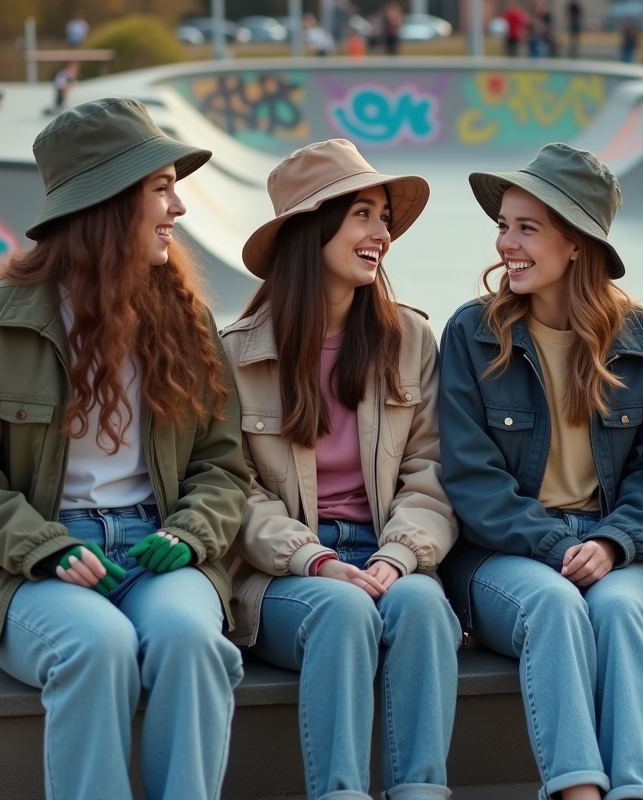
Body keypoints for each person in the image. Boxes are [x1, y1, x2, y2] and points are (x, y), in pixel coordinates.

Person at [0, 98, 251, 800]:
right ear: (108, 201)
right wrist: (44, 548)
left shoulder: (187, 323)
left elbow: (221, 465)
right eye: (160, 189)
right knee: (96, 647)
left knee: (194, 643)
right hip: (31, 566)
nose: (179, 208)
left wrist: (190, 534)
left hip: (157, 545)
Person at [439, 143, 643, 800]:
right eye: (503, 226)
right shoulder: (472, 334)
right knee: (553, 605)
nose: (505, 244)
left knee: (624, 614)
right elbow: (470, 477)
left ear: (576, 243)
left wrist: (611, 542)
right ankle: (578, 794)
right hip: (505, 551)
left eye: (527, 228)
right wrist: (557, 544)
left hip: (617, 546)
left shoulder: (642, 339)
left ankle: (637, 792)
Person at [220, 138, 460, 800]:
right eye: (362, 214)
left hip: (388, 553)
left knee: (423, 608)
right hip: (283, 576)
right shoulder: (236, 356)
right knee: (343, 613)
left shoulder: (409, 341)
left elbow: (431, 470)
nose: (381, 232)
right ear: (311, 230)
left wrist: (401, 556)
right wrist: (314, 559)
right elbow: (232, 492)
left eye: (384, 216)